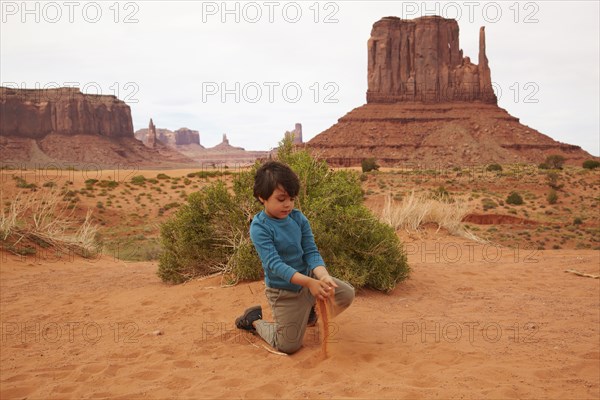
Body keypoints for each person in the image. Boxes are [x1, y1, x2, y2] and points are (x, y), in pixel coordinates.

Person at [235, 160, 355, 354]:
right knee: (287, 345)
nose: (288, 204)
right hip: (284, 291)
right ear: (262, 197)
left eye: (292, 198)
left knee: (346, 294)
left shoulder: (298, 218)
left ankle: (308, 312)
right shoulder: (260, 227)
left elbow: (311, 252)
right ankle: (254, 321)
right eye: (281, 199)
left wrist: (323, 277)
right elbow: (275, 265)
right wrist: (310, 283)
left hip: (309, 282)